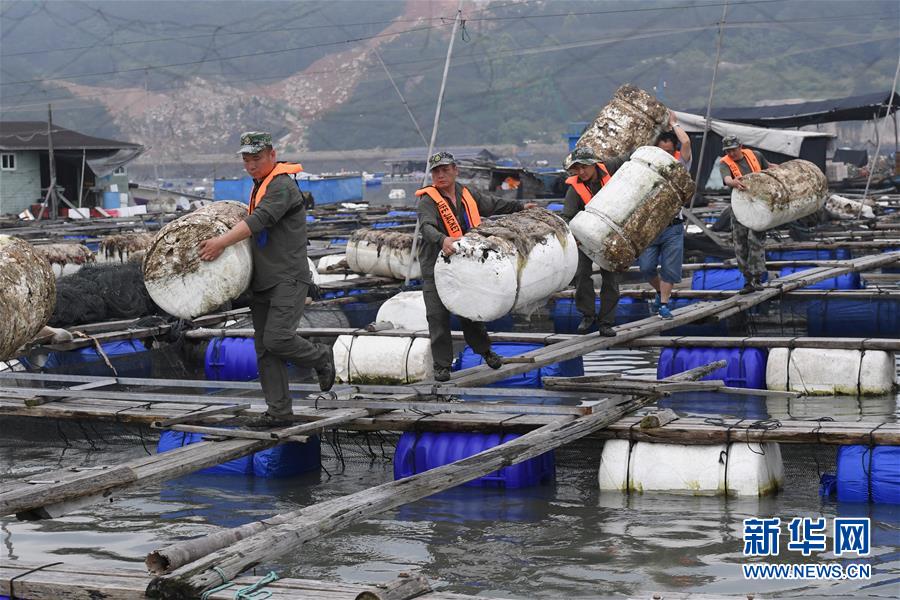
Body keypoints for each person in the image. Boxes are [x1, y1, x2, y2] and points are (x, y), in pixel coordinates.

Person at [198, 132, 335, 425]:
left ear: (272, 155)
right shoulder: (259, 185)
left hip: (288, 277)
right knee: (264, 350)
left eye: (256, 158)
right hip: (262, 280)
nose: (251, 165)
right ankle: (279, 411)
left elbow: (259, 221)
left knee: (278, 339)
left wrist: (220, 242)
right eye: (246, 160)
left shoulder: (282, 185)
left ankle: (321, 357)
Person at [416, 151, 534, 382]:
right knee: (437, 317)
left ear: (455, 170)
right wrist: (443, 240)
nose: (440, 175)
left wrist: (520, 207)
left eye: (445, 170)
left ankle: (485, 352)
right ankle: (442, 366)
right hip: (435, 269)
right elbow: (427, 227)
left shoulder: (466, 193)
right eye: (436, 171)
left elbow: (494, 204)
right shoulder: (428, 200)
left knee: (471, 312)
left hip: (465, 266)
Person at [561, 146, 628, 336]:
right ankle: (587, 314)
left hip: (610, 236)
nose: (581, 172)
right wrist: (573, 236)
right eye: (577, 168)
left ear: (594, 164)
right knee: (581, 274)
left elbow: (629, 156)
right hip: (585, 238)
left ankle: (606, 322)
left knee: (611, 278)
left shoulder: (610, 166)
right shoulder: (574, 190)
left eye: (585, 167)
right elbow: (566, 216)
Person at [638, 112, 693, 320]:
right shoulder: (647, 167)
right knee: (646, 267)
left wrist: (674, 124)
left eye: (670, 151)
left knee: (670, 268)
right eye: (662, 151)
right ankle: (659, 292)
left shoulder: (681, 166)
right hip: (651, 227)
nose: (666, 155)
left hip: (673, 225)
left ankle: (663, 304)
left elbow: (686, 141)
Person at [719, 134, 779, 294]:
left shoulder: (756, 155)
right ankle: (747, 280)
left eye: (733, 149)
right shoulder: (724, 163)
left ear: (740, 146)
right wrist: (734, 182)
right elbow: (726, 179)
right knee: (740, 243)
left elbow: (769, 167)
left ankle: (758, 277)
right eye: (728, 151)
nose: (731, 153)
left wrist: (781, 170)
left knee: (755, 240)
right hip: (739, 208)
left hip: (759, 206)